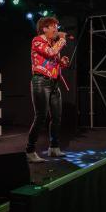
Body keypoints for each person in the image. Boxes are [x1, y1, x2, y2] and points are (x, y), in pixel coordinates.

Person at [26, 16, 71, 163]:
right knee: (41, 117)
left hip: (54, 83)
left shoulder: (53, 43)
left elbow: (54, 62)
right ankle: (30, 150)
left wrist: (62, 62)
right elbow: (50, 53)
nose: (56, 29)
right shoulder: (37, 40)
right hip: (40, 82)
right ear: (44, 28)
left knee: (57, 117)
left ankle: (54, 147)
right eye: (53, 27)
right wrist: (62, 40)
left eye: (56, 27)